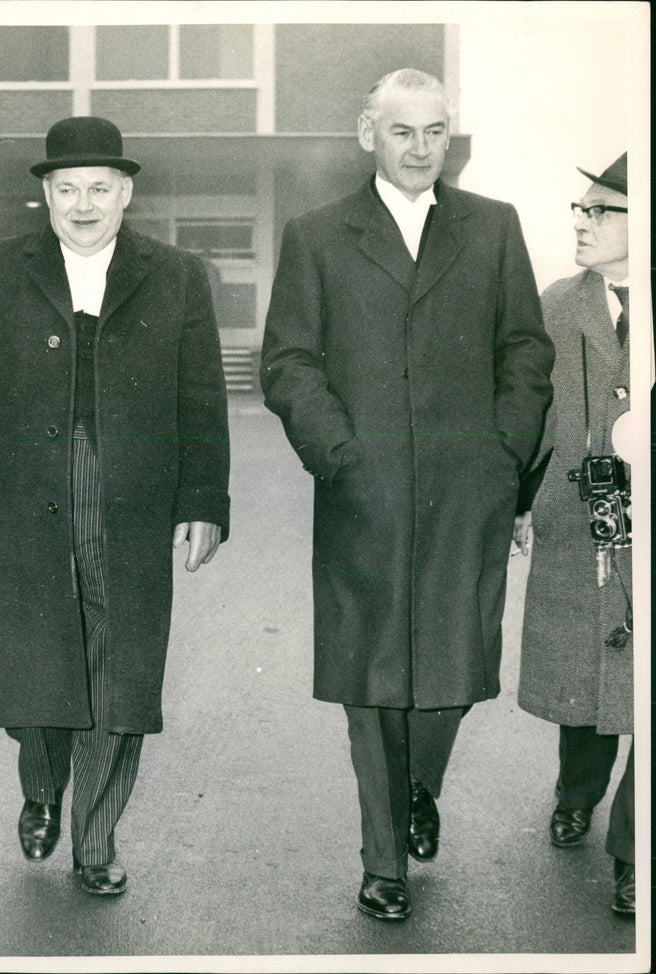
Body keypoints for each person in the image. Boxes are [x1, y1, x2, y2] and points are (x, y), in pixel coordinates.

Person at [260, 69, 554, 920]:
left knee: (455, 668)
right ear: (368, 133)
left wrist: (505, 452)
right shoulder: (318, 235)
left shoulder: (493, 227)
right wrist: (339, 454)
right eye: (403, 131)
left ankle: (418, 783)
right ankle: (382, 857)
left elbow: (525, 350)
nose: (421, 148)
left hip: (472, 490)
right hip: (365, 491)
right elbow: (289, 361)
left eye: (435, 132)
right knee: (372, 674)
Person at [0, 116, 230, 897]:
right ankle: (41, 782)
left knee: (118, 664)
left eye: (100, 187)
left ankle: (95, 841)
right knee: (35, 660)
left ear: (127, 192)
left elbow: (203, 402)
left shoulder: (177, 275)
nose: (84, 203)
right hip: (29, 491)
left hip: (131, 493)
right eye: (67, 188)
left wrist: (204, 500)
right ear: (45, 195)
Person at [514, 153, 634, 916]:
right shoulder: (559, 304)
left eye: (602, 211)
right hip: (575, 520)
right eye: (579, 209)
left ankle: (633, 853)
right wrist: (517, 502)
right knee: (588, 680)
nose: (580, 222)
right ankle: (577, 791)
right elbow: (528, 414)